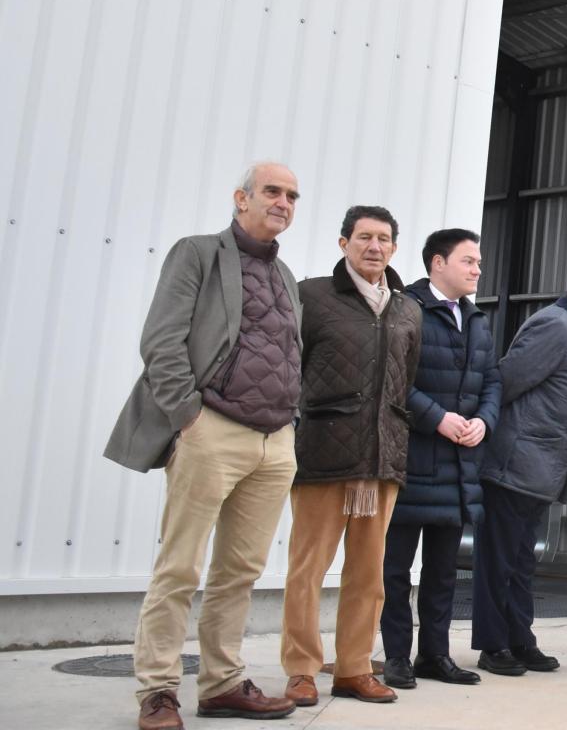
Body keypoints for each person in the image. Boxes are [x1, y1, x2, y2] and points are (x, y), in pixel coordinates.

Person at [108, 162, 304, 730]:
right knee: (180, 568)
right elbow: (161, 339)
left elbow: (287, 352)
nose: (284, 202)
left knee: (239, 572)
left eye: (292, 195)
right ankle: (158, 690)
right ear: (240, 198)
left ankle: (221, 683)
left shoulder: (285, 274)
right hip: (211, 429)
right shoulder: (197, 253)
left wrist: (292, 422)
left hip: (275, 440)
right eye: (272, 191)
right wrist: (187, 417)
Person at [282, 206, 423, 707]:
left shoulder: (408, 309)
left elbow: (404, 382)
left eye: (383, 238)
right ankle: (301, 669)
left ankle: (354, 668)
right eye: (364, 237)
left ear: (394, 248)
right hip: (323, 453)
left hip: (382, 459)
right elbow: (288, 368)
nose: (374, 247)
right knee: (307, 569)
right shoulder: (312, 296)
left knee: (369, 574)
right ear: (343, 243)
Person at [472, 273, 567, 676]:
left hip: (538, 470)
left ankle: (520, 639)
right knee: (498, 561)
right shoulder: (554, 324)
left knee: (520, 562)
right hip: (515, 465)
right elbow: (507, 379)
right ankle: (492, 644)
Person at [379, 229, 500, 689]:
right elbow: (392, 380)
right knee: (395, 570)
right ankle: (395, 657)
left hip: (458, 466)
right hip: (410, 461)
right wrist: (439, 419)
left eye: (478, 263)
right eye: (468, 261)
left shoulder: (477, 319)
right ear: (437, 263)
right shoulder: (405, 308)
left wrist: (483, 421)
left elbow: (493, 380)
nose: (476, 270)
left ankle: (435, 654)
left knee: (444, 572)